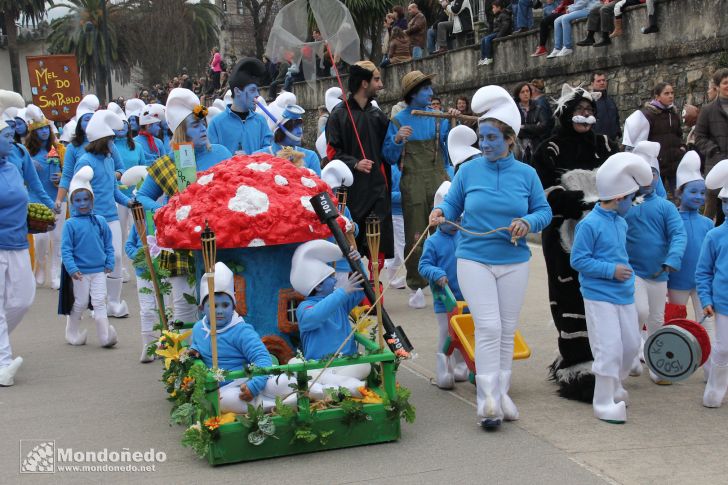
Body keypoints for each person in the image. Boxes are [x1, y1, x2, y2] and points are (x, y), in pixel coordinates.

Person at [430, 85, 552, 429]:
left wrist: (527, 221)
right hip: (473, 258)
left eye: (492, 138)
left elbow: (544, 212)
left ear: (510, 139)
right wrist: (439, 213)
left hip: (513, 261)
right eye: (481, 137)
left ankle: (502, 392)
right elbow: (452, 206)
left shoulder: (526, 175)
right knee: (488, 326)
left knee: (507, 329)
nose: (484, 145)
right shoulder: (468, 171)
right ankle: (486, 398)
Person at [533, 84, 617, 402]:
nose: (586, 116)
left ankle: (605, 359)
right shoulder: (549, 148)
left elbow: (623, 179)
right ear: (567, 115)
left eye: (590, 111)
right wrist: (580, 201)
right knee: (569, 295)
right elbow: (545, 192)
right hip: (562, 235)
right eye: (580, 111)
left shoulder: (606, 145)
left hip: (604, 237)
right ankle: (576, 365)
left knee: (603, 297)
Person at [136, 89, 232, 325]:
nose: (202, 129)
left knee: (222, 302)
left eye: (203, 123)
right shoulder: (170, 161)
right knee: (184, 308)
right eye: (195, 125)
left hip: (220, 240)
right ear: (181, 130)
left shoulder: (221, 153)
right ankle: (186, 357)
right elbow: (143, 197)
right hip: (181, 245)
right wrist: (167, 210)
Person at [570, 152, 653, 423]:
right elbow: (578, 260)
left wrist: (625, 275)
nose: (633, 203)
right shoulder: (589, 224)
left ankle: (614, 384)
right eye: (631, 198)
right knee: (608, 347)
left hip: (623, 294)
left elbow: (619, 254)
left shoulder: (620, 222)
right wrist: (611, 271)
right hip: (599, 296)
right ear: (619, 198)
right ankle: (602, 400)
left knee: (630, 346)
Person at [384, 71, 455, 309]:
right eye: (426, 89)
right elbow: (389, 157)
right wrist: (397, 140)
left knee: (444, 229)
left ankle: (446, 280)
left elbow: (452, 147)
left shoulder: (438, 118)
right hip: (412, 181)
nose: (431, 93)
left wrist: (454, 121)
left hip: (437, 177)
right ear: (412, 93)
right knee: (416, 233)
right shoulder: (397, 121)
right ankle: (417, 284)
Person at [625, 141, 687, 384]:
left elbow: (678, 234)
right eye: (643, 174)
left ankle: (656, 363)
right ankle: (631, 353)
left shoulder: (665, 207)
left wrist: (672, 258)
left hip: (659, 273)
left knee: (657, 319)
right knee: (639, 311)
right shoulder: (626, 205)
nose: (648, 179)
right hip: (633, 270)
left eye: (653, 174)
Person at [325, 61, 394, 269]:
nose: (380, 85)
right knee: (352, 238)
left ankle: (376, 287)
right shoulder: (338, 114)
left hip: (378, 185)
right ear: (364, 84)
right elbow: (331, 152)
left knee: (379, 237)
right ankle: (357, 288)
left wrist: (398, 139)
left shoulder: (377, 115)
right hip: (352, 191)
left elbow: (389, 149)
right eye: (376, 80)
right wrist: (355, 163)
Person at [188, 262, 280, 413]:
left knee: (280, 382)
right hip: (227, 387)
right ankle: (270, 407)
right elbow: (199, 344)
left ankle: (283, 400)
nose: (220, 311)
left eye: (225, 305)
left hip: (249, 377)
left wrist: (255, 384)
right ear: (202, 308)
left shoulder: (241, 331)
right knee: (225, 401)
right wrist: (194, 350)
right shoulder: (199, 328)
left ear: (234, 307)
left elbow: (263, 359)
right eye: (213, 305)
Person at [290, 240, 371, 396]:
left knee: (365, 366)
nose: (335, 280)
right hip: (318, 367)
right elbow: (315, 316)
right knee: (294, 364)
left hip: (344, 364)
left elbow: (363, 287)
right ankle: (346, 386)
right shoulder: (304, 308)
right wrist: (342, 292)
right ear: (318, 286)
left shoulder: (340, 302)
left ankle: (327, 387)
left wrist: (357, 262)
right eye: (331, 277)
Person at [74, 110, 133, 318]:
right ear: (100, 141)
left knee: (116, 257)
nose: (112, 145)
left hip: (112, 217)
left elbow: (113, 190)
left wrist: (130, 202)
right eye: (109, 140)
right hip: (93, 220)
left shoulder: (108, 160)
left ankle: (115, 302)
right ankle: (97, 303)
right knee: (97, 263)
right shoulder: (85, 161)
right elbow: (77, 193)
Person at [668, 151, 714, 377]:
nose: (698, 197)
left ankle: (711, 367)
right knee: (675, 322)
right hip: (677, 280)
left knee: (706, 322)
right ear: (679, 193)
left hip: (702, 283)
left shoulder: (707, 224)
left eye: (703, 193)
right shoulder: (672, 219)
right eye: (693, 191)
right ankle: (669, 363)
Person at [419, 181, 469, 389]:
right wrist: (437, 273)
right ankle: (443, 367)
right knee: (446, 332)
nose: (455, 222)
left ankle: (461, 365)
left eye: (458, 218)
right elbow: (423, 265)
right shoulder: (432, 242)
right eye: (451, 218)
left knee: (464, 332)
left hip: (466, 295)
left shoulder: (465, 236)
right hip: (444, 297)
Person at [0, 91, 35, 386]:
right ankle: (2, 362)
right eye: (5, 134)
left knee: (24, 298)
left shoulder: (12, 166)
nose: (12, 137)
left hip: (18, 242)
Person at [61, 166, 118, 348]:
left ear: (92, 200)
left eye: (86, 199)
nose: (82, 203)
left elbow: (109, 244)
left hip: (99, 270)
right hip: (80, 272)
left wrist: (110, 261)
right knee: (81, 301)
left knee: (100, 301)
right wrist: (72, 268)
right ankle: (71, 332)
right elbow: (66, 249)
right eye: (77, 200)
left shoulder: (100, 221)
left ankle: (104, 337)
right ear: (72, 202)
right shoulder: (70, 224)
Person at [24, 105, 66, 289]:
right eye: (39, 129)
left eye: (45, 128)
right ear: (33, 132)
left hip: (57, 198)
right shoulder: (26, 152)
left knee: (57, 238)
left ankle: (55, 274)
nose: (43, 132)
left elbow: (69, 172)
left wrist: (62, 177)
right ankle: (39, 268)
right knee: (40, 239)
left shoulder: (58, 148)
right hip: (35, 199)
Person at [698, 159, 728, 408]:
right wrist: (706, 299)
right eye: (726, 202)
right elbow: (704, 272)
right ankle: (715, 390)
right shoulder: (714, 236)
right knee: (722, 348)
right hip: (723, 303)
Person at [107, 102, 145, 284]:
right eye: (118, 125)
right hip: (119, 195)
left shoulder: (136, 146)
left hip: (136, 194)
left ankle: (141, 261)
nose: (122, 128)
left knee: (139, 228)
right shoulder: (111, 147)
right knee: (121, 231)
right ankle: (121, 266)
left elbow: (144, 168)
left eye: (125, 124)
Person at [208, 58, 273, 156]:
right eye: (252, 90)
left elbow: (269, 153)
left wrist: (250, 158)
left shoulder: (261, 121)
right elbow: (212, 157)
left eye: (257, 90)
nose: (257, 95)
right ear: (238, 91)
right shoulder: (216, 123)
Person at [630, 83, 685, 194]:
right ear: (657, 96)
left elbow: (679, 134)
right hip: (656, 164)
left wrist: (682, 148)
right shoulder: (648, 115)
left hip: (675, 163)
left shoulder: (673, 113)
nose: (671, 96)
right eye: (666, 93)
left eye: (672, 93)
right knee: (657, 196)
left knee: (678, 196)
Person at [695, 69, 728, 224]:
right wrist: (714, 151)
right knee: (715, 211)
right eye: (725, 83)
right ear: (717, 86)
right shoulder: (707, 110)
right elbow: (699, 138)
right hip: (716, 166)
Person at [254, 104, 321, 175]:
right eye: (294, 127)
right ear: (279, 130)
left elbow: (320, 185)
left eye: (300, 126)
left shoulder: (310, 157)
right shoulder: (258, 157)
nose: (299, 131)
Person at [512, 82, 549, 165]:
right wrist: (534, 127)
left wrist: (524, 127)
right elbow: (514, 128)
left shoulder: (538, 107)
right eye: (522, 92)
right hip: (518, 144)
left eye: (527, 91)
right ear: (518, 94)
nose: (526, 94)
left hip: (535, 144)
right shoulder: (514, 109)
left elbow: (543, 127)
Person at [478, 0, 513, 66]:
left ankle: (489, 57)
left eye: (493, 7)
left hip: (500, 33)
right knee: (483, 39)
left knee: (487, 39)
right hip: (496, 32)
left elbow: (505, 27)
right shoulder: (497, 15)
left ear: (499, 8)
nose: (492, 9)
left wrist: (498, 36)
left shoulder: (504, 14)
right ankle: (483, 58)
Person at [590, 72, 621, 141]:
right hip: (598, 142)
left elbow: (616, 118)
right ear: (592, 84)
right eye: (598, 81)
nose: (602, 83)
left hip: (613, 142)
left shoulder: (610, 100)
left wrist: (618, 133)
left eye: (603, 80)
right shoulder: (590, 101)